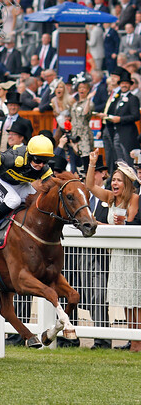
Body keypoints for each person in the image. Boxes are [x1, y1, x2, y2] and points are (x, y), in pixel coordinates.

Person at [86, 151, 140, 352]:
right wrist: (92, 164)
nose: (114, 184)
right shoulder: (109, 197)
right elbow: (90, 186)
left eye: (119, 180)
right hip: (116, 255)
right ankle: (131, 338)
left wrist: (124, 221)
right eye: (113, 180)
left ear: (127, 183)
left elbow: (132, 223)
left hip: (132, 255)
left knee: (135, 299)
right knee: (126, 299)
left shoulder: (134, 199)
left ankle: (137, 342)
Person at [0, 135, 55, 249]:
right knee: (14, 200)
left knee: (36, 200)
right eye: (38, 160)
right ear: (29, 155)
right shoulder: (12, 158)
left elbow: (52, 186)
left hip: (20, 184)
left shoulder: (44, 169)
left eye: (45, 161)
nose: (41, 165)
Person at [97, 67, 141, 171]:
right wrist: (107, 116)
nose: (124, 85)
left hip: (127, 134)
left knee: (128, 161)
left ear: (130, 85)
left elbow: (136, 116)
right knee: (119, 161)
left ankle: (132, 184)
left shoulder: (133, 98)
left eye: (126, 83)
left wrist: (120, 119)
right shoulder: (117, 97)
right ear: (119, 84)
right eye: (122, 83)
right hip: (115, 132)